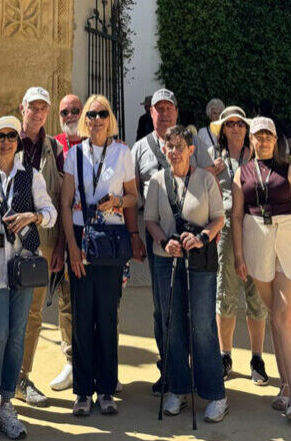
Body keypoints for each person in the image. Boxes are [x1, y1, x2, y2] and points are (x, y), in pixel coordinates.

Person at [0, 116, 58, 441]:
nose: (6, 141)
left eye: (11, 136)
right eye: (0, 137)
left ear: (17, 142)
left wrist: (32, 216)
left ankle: (8, 403)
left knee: (17, 336)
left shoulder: (31, 177)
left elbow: (50, 214)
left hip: (22, 270)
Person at [232, 117, 291, 425]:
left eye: (268, 135)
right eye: (258, 136)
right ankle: (283, 385)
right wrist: (239, 255)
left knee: (285, 318)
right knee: (274, 316)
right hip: (258, 244)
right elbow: (237, 216)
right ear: (251, 141)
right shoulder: (242, 174)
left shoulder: (287, 170)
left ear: (275, 139)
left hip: (290, 244)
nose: (263, 140)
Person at [60, 95, 139, 416]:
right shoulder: (74, 155)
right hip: (80, 237)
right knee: (81, 318)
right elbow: (65, 203)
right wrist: (72, 248)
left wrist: (117, 202)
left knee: (107, 317)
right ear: (84, 121)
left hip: (110, 241)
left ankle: (106, 388)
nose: (95, 119)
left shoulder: (122, 153)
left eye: (101, 114)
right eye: (90, 114)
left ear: (110, 119)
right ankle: (82, 391)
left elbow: (134, 196)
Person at [144, 125, 228, 421]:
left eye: (180, 147)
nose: (175, 152)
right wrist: (164, 241)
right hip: (167, 259)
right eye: (170, 147)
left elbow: (219, 217)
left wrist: (203, 236)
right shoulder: (156, 181)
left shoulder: (205, 179)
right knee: (172, 324)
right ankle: (178, 388)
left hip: (200, 260)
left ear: (192, 150)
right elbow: (151, 220)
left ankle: (215, 394)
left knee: (203, 325)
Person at [197, 106, 269, 385]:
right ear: (223, 130)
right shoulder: (216, 159)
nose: (236, 128)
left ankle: (257, 357)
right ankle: (225, 355)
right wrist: (209, 172)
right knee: (225, 293)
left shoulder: (257, 157)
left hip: (255, 227)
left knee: (257, 294)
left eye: (240, 123)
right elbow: (199, 186)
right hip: (226, 229)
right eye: (231, 124)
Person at [13, 87, 65, 407]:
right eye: (33, 107)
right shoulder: (7, 139)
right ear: (22, 108)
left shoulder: (53, 148)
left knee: (33, 313)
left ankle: (21, 376)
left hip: (43, 243)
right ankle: (2, 377)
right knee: (6, 311)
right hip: (9, 243)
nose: (38, 113)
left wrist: (59, 244)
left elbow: (58, 197)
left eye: (43, 109)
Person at [131, 88, 181, 394]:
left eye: (168, 108)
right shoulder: (140, 149)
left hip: (191, 238)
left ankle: (189, 368)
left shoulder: (190, 142)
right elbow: (133, 196)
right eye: (158, 108)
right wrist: (135, 236)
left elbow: (206, 180)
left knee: (191, 307)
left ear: (176, 111)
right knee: (163, 308)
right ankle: (169, 368)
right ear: (151, 113)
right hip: (158, 239)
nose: (163, 113)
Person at [49, 94, 84, 391]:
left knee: (105, 304)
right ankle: (72, 362)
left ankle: (101, 362)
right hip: (64, 236)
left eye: (76, 110)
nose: (71, 115)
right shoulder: (54, 145)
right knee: (67, 302)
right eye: (65, 111)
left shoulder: (100, 140)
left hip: (96, 239)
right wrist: (60, 245)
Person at [194, 98, 225, 165]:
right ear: (210, 115)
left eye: (219, 113)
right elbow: (198, 154)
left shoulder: (226, 132)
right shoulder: (202, 133)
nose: (217, 116)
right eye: (215, 113)